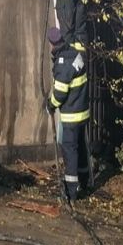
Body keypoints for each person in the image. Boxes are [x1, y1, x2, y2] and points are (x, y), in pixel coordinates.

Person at [46, 26, 91, 201]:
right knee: (80, 148)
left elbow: (59, 94)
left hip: (71, 116)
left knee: (70, 151)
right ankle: (85, 181)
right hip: (83, 113)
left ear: (52, 43)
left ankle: (71, 191)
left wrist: (50, 105)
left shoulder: (63, 63)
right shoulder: (76, 54)